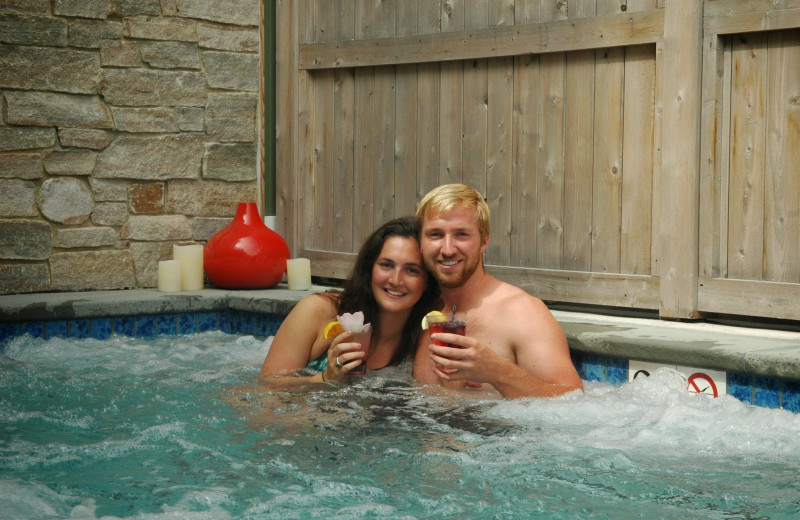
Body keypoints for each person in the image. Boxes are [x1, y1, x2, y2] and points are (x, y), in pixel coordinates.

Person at [412, 184, 584, 398]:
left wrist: (497, 372)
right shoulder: (416, 307)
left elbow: (574, 402)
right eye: (435, 235)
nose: (447, 249)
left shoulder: (522, 313)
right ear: (420, 244)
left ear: (484, 241)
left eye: (462, 235)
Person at [260, 216, 439, 383]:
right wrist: (326, 377)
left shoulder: (424, 341)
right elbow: (267, 386)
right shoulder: (317, 312)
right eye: (386, 265)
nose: (395, 280)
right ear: (370, 269)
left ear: (427, 282)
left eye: (412, 270)